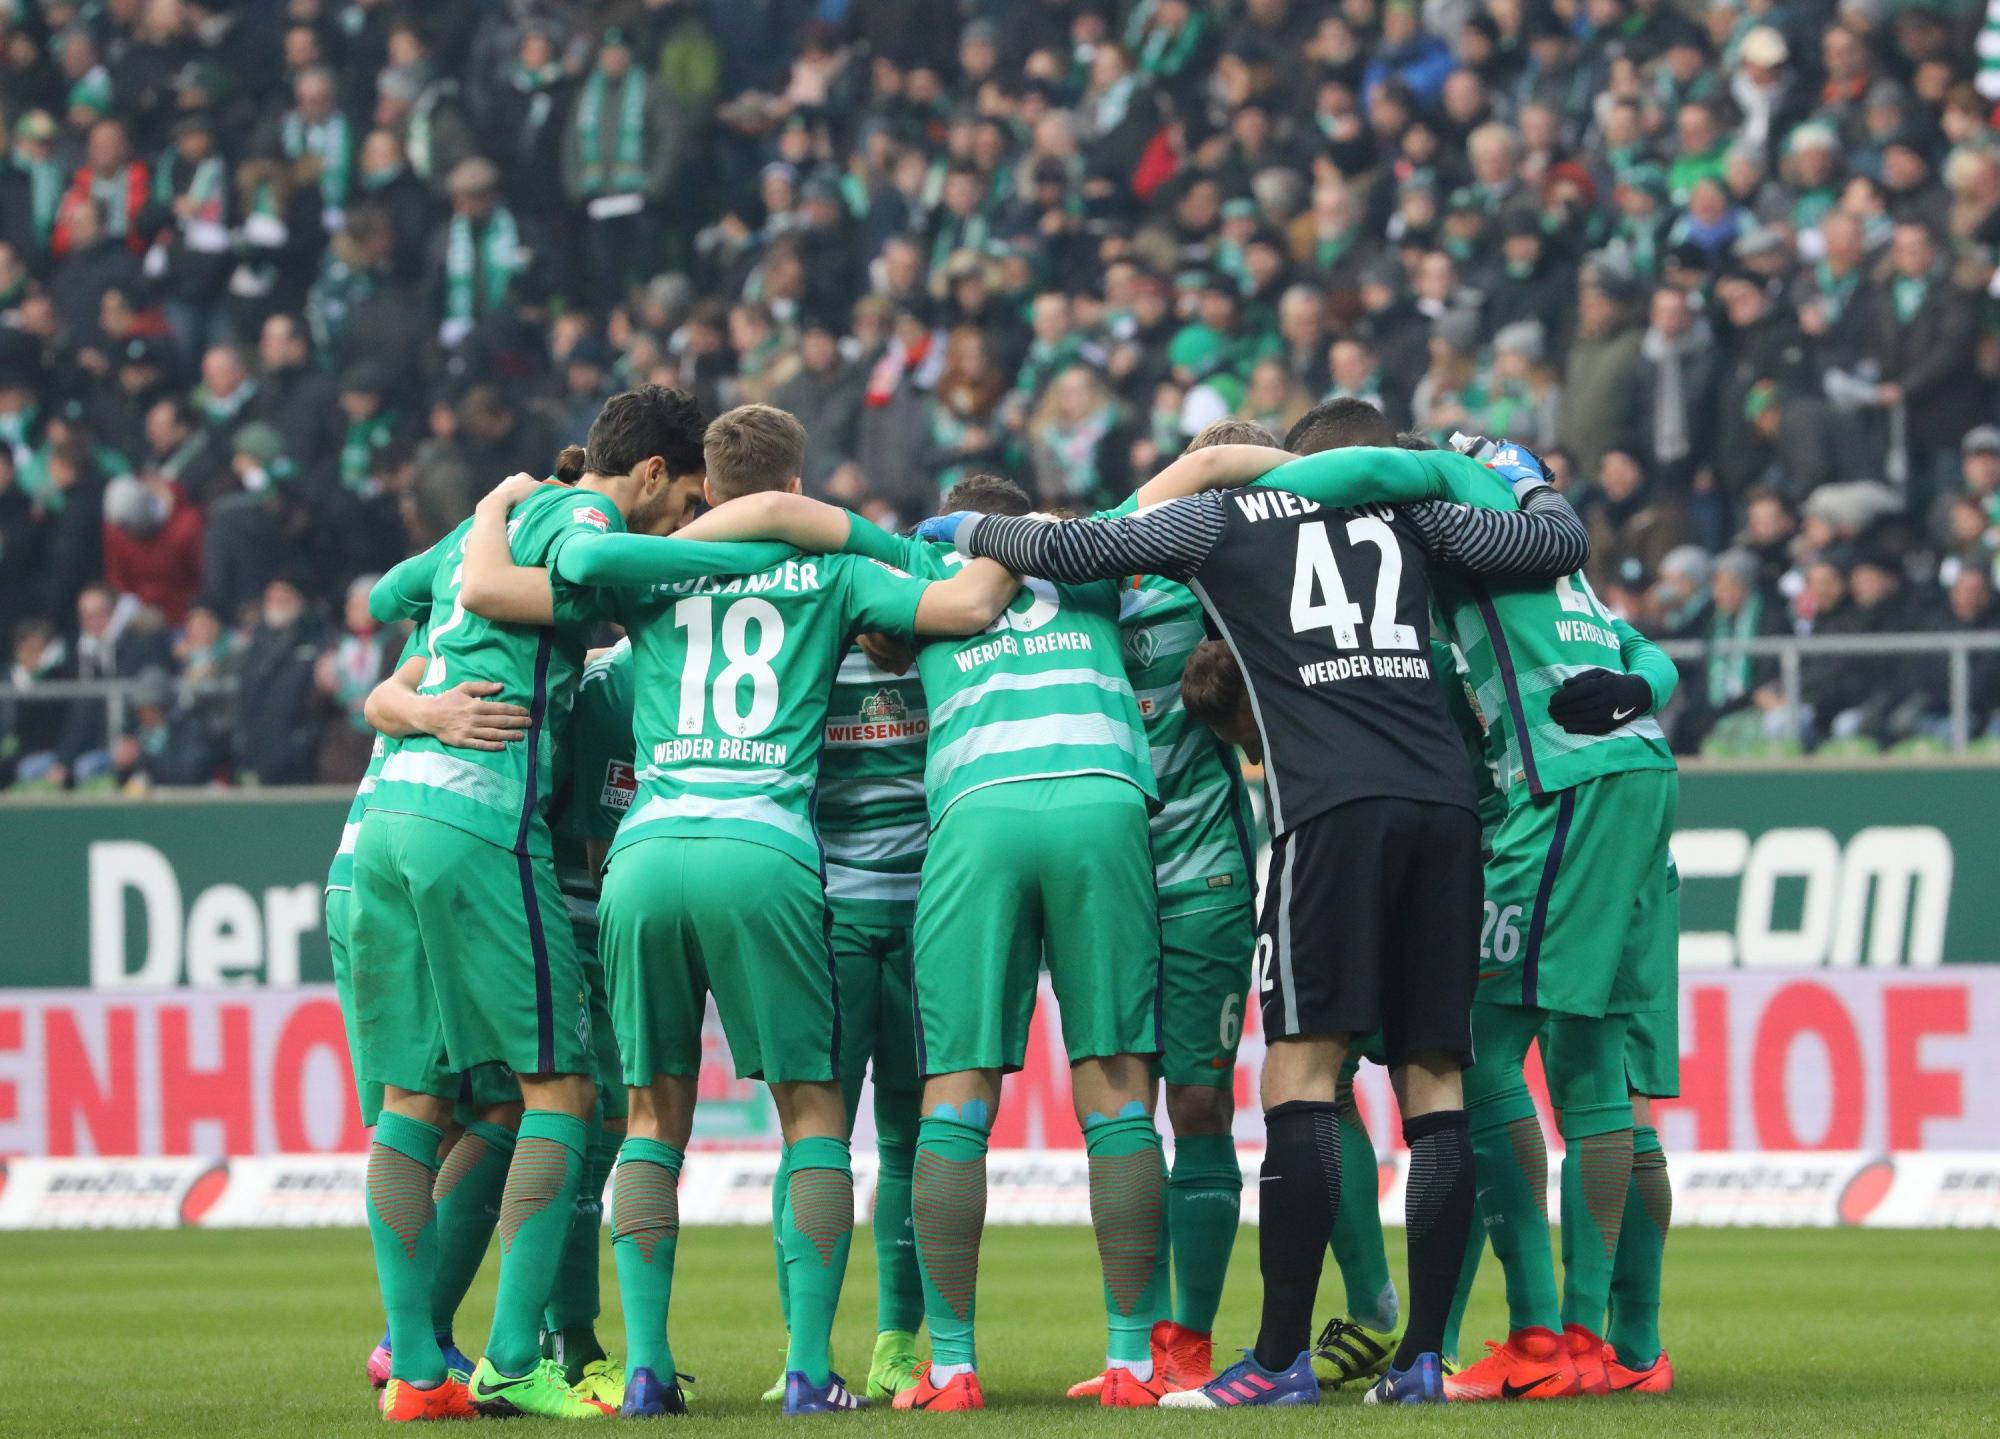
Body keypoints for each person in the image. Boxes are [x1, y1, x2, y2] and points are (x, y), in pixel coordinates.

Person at [931, 398, 1593, 1406]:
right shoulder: (1414, 517)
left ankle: (1278, 1357)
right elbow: (1550, 545)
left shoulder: (1226, 519)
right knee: (1434, 1082)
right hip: (1443, 807)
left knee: (1300, 1075)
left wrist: (965, 530)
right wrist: (1526, 472)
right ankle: (1419, 1355)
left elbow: (1076, 546)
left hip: (1328, 813)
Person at [467, 404, 1017, 1417]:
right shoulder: (834, 569)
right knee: (812, 1115)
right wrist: (921, 535)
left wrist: (503, 504)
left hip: (646, 851)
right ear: (795, 486)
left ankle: (642, 1366)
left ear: (702, 488)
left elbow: (496, 587)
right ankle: (808, 1367)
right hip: (763, 846)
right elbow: (968, 607)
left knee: (647, 1117)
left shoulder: (646, 564)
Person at [665, 477, 1188, 1412]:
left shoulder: (920, 563)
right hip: (1103, 799)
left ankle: (949, 1366)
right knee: (1115, 1085)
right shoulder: (1092, 548)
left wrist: (674, 549)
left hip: (978, 810)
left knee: (954, 1093)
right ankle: (1132, 1362)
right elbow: (1193, 477)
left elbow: (794, 518)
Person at [350, 385, 716, 1420]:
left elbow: (389, 598)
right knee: (563, 1092)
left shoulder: (512, 514)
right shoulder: (587, 518)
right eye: (682, 500)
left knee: (416, 1101)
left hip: (391, 806)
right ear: (646, 473)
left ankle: (419, 1368)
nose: (681, 523)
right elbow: (545, 587)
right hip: (477, 811)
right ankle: (515, 1355)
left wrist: (484, 516)